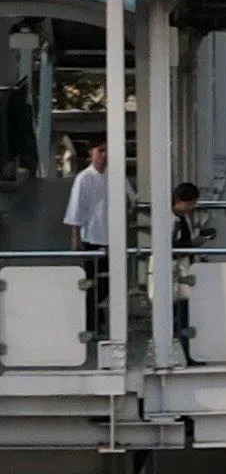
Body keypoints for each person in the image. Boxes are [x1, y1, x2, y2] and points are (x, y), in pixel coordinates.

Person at [63, 141, 134, 339]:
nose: (104, 155)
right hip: (93, 236)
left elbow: (131, 198)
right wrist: (75, 237)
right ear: (91, 154)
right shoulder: (84, 178)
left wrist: (129, 201)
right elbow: (75, 208)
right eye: (100, 151)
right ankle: (91, 323)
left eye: (107, 151)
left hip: (116, 236)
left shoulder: (116, 175)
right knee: (92, 283)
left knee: (110, 282)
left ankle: (101, 320)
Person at [171, 179, 212, 365]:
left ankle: (187, 353)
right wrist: (191, 244)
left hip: (183, 267)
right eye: (189, 204)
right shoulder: (173, 220)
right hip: (176, 270)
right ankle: (183, 354)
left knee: (184, 314)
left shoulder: (181, 218)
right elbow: (169, 245)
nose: (191, 208)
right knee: (180, 314)